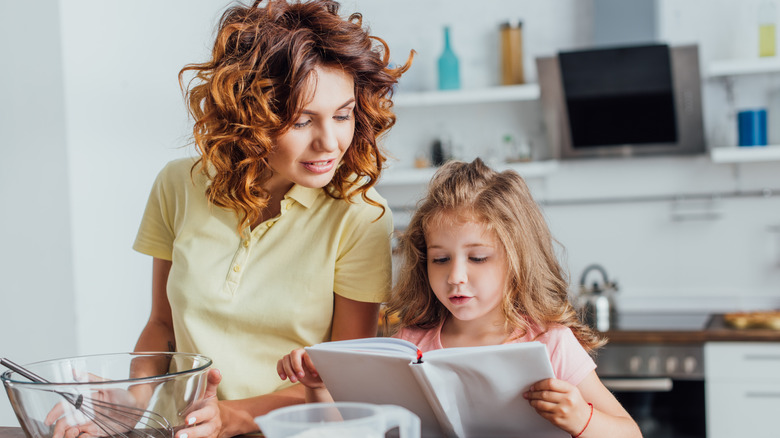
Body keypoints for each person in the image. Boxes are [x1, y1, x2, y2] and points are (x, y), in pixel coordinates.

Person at [132, 0, 412, 437]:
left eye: (343, 116)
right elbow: (162, 326)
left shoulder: (360, 214)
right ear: (251, 118)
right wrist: (119, 403)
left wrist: (229, 418)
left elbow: (345, 383)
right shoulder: (177, 185)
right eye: (303, 120)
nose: (330, 143)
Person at [278, 159, 642, 438]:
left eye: (478, 258)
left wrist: (582, 418)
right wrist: (320, 388)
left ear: (517, 260)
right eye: (440, 259)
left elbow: (630, 433)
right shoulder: (412, 344)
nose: (455, 277)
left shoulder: (550, 342)